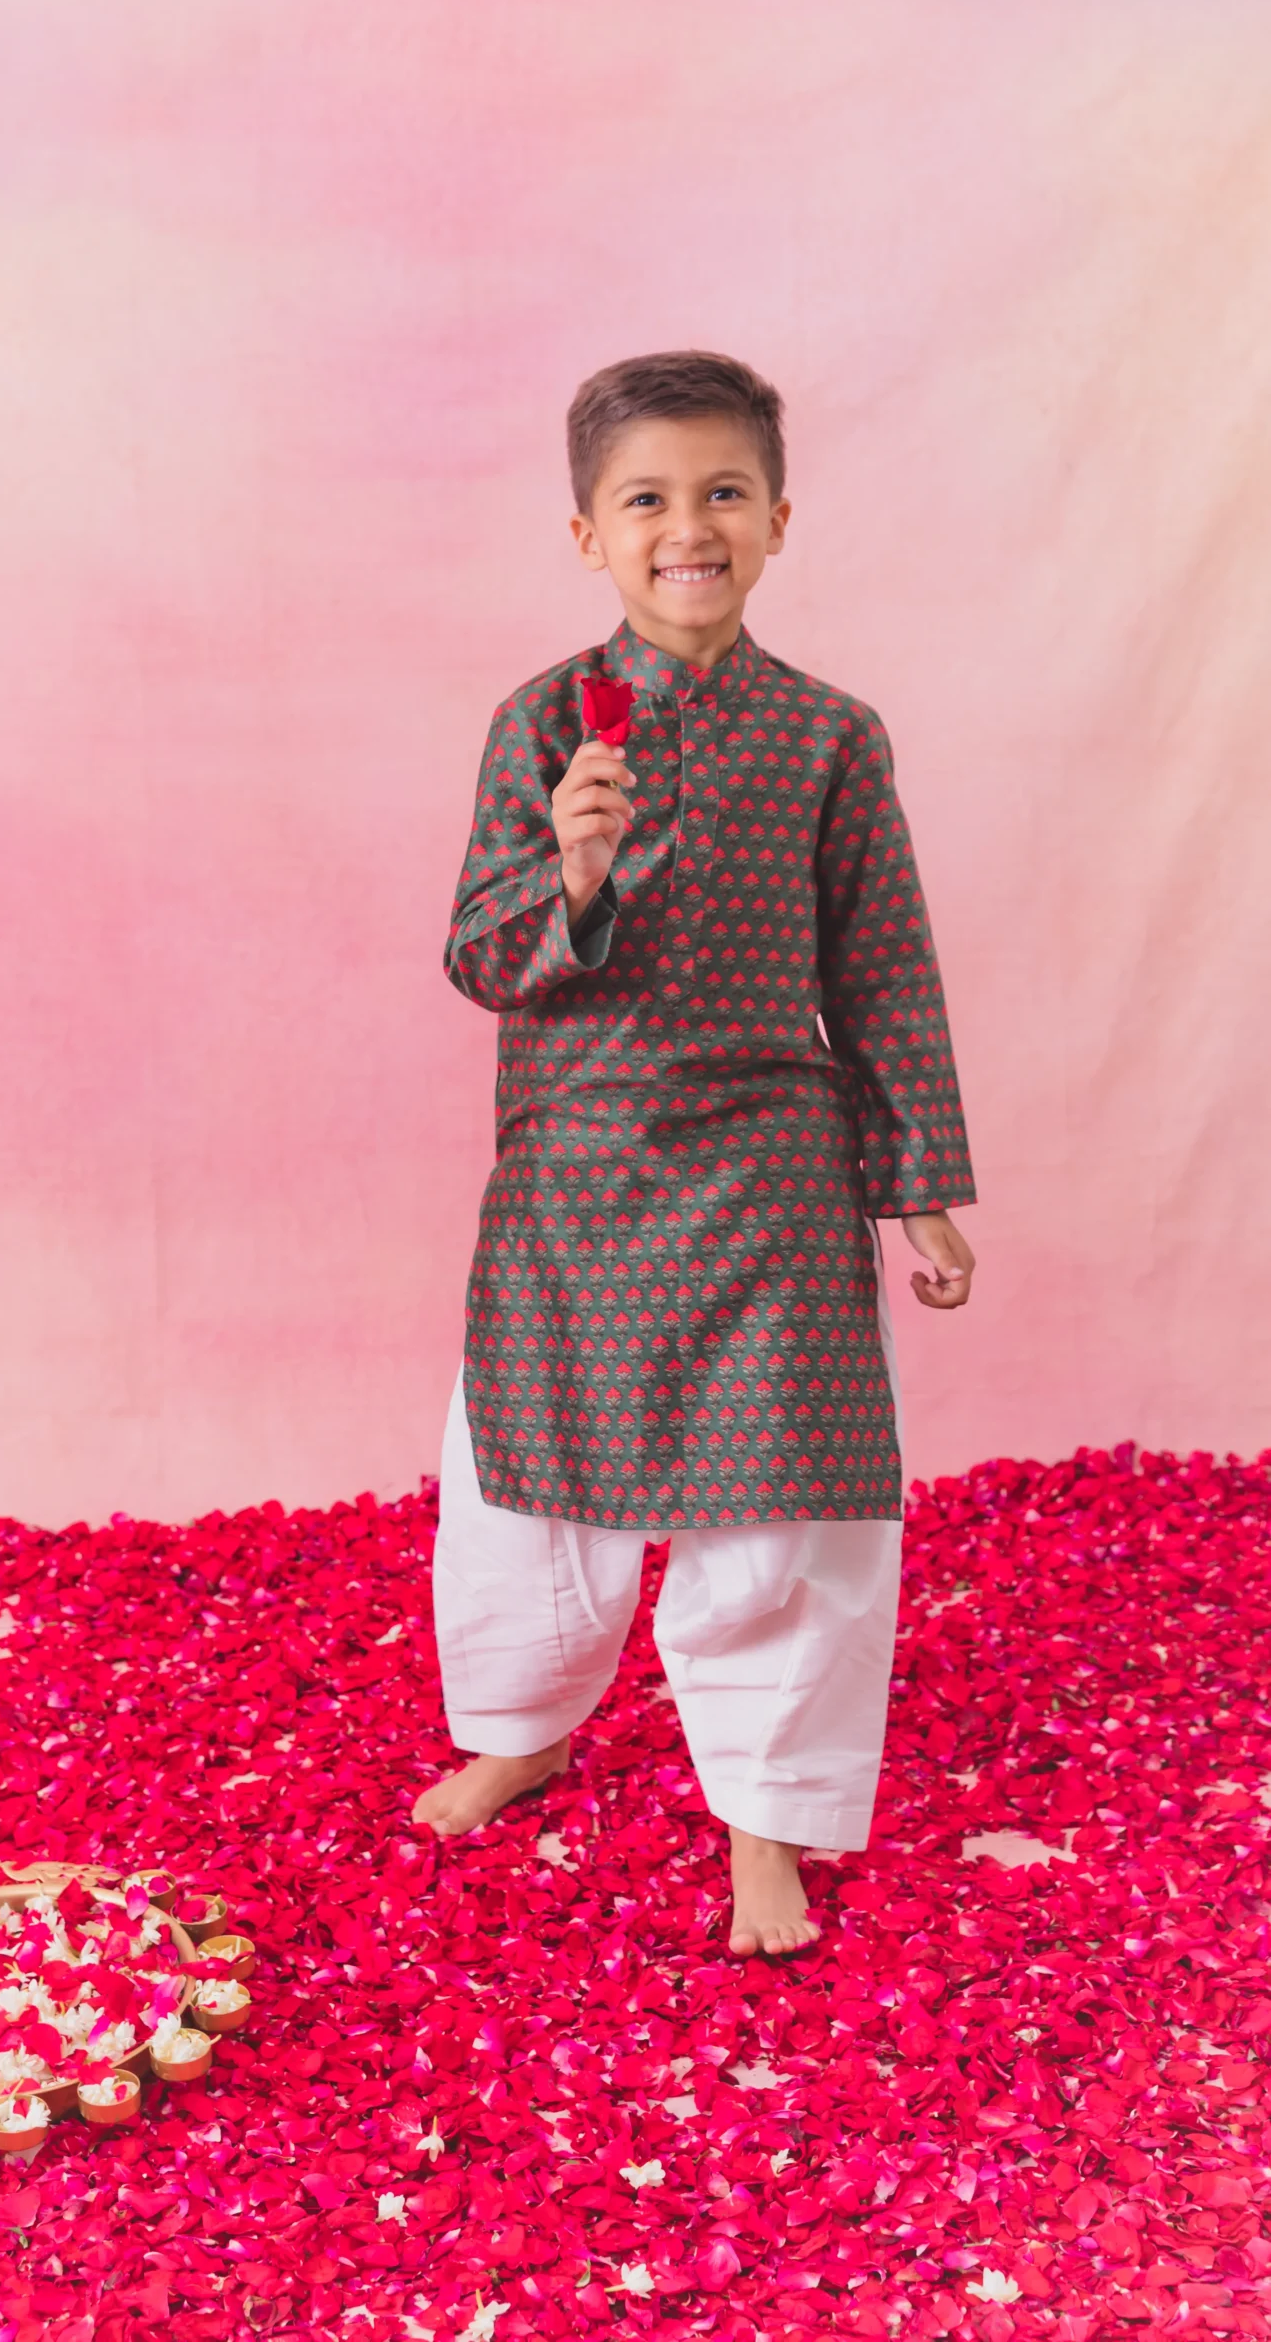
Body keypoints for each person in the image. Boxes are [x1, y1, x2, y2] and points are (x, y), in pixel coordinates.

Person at [414, 350, 976, 1956]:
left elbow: (881, 968)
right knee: (528, 1483)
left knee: (786, 1505)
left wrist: (918, 1186)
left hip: (773, 1180)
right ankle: (523, 1729)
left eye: (722, 492)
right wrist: (572, 873)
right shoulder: (539, 724)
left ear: (777, 519)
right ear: (586, 533)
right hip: (575, 1176)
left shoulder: (828, 737)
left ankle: (765, 1815)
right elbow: (480, 958)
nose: (687, 528)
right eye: (645, 499)